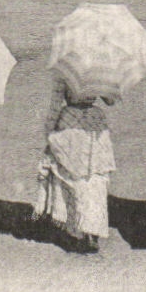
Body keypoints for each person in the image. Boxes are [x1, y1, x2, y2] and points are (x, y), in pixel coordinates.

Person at [35, 74, 116, 253]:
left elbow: (55, 104)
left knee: (74, 179)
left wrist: (49, 133)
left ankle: (78, 229)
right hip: (95, 123)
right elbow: (111, 100)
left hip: (70, 122)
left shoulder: (66, 68)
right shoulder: (100, 68)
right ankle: (93, 231)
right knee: (96, 179)